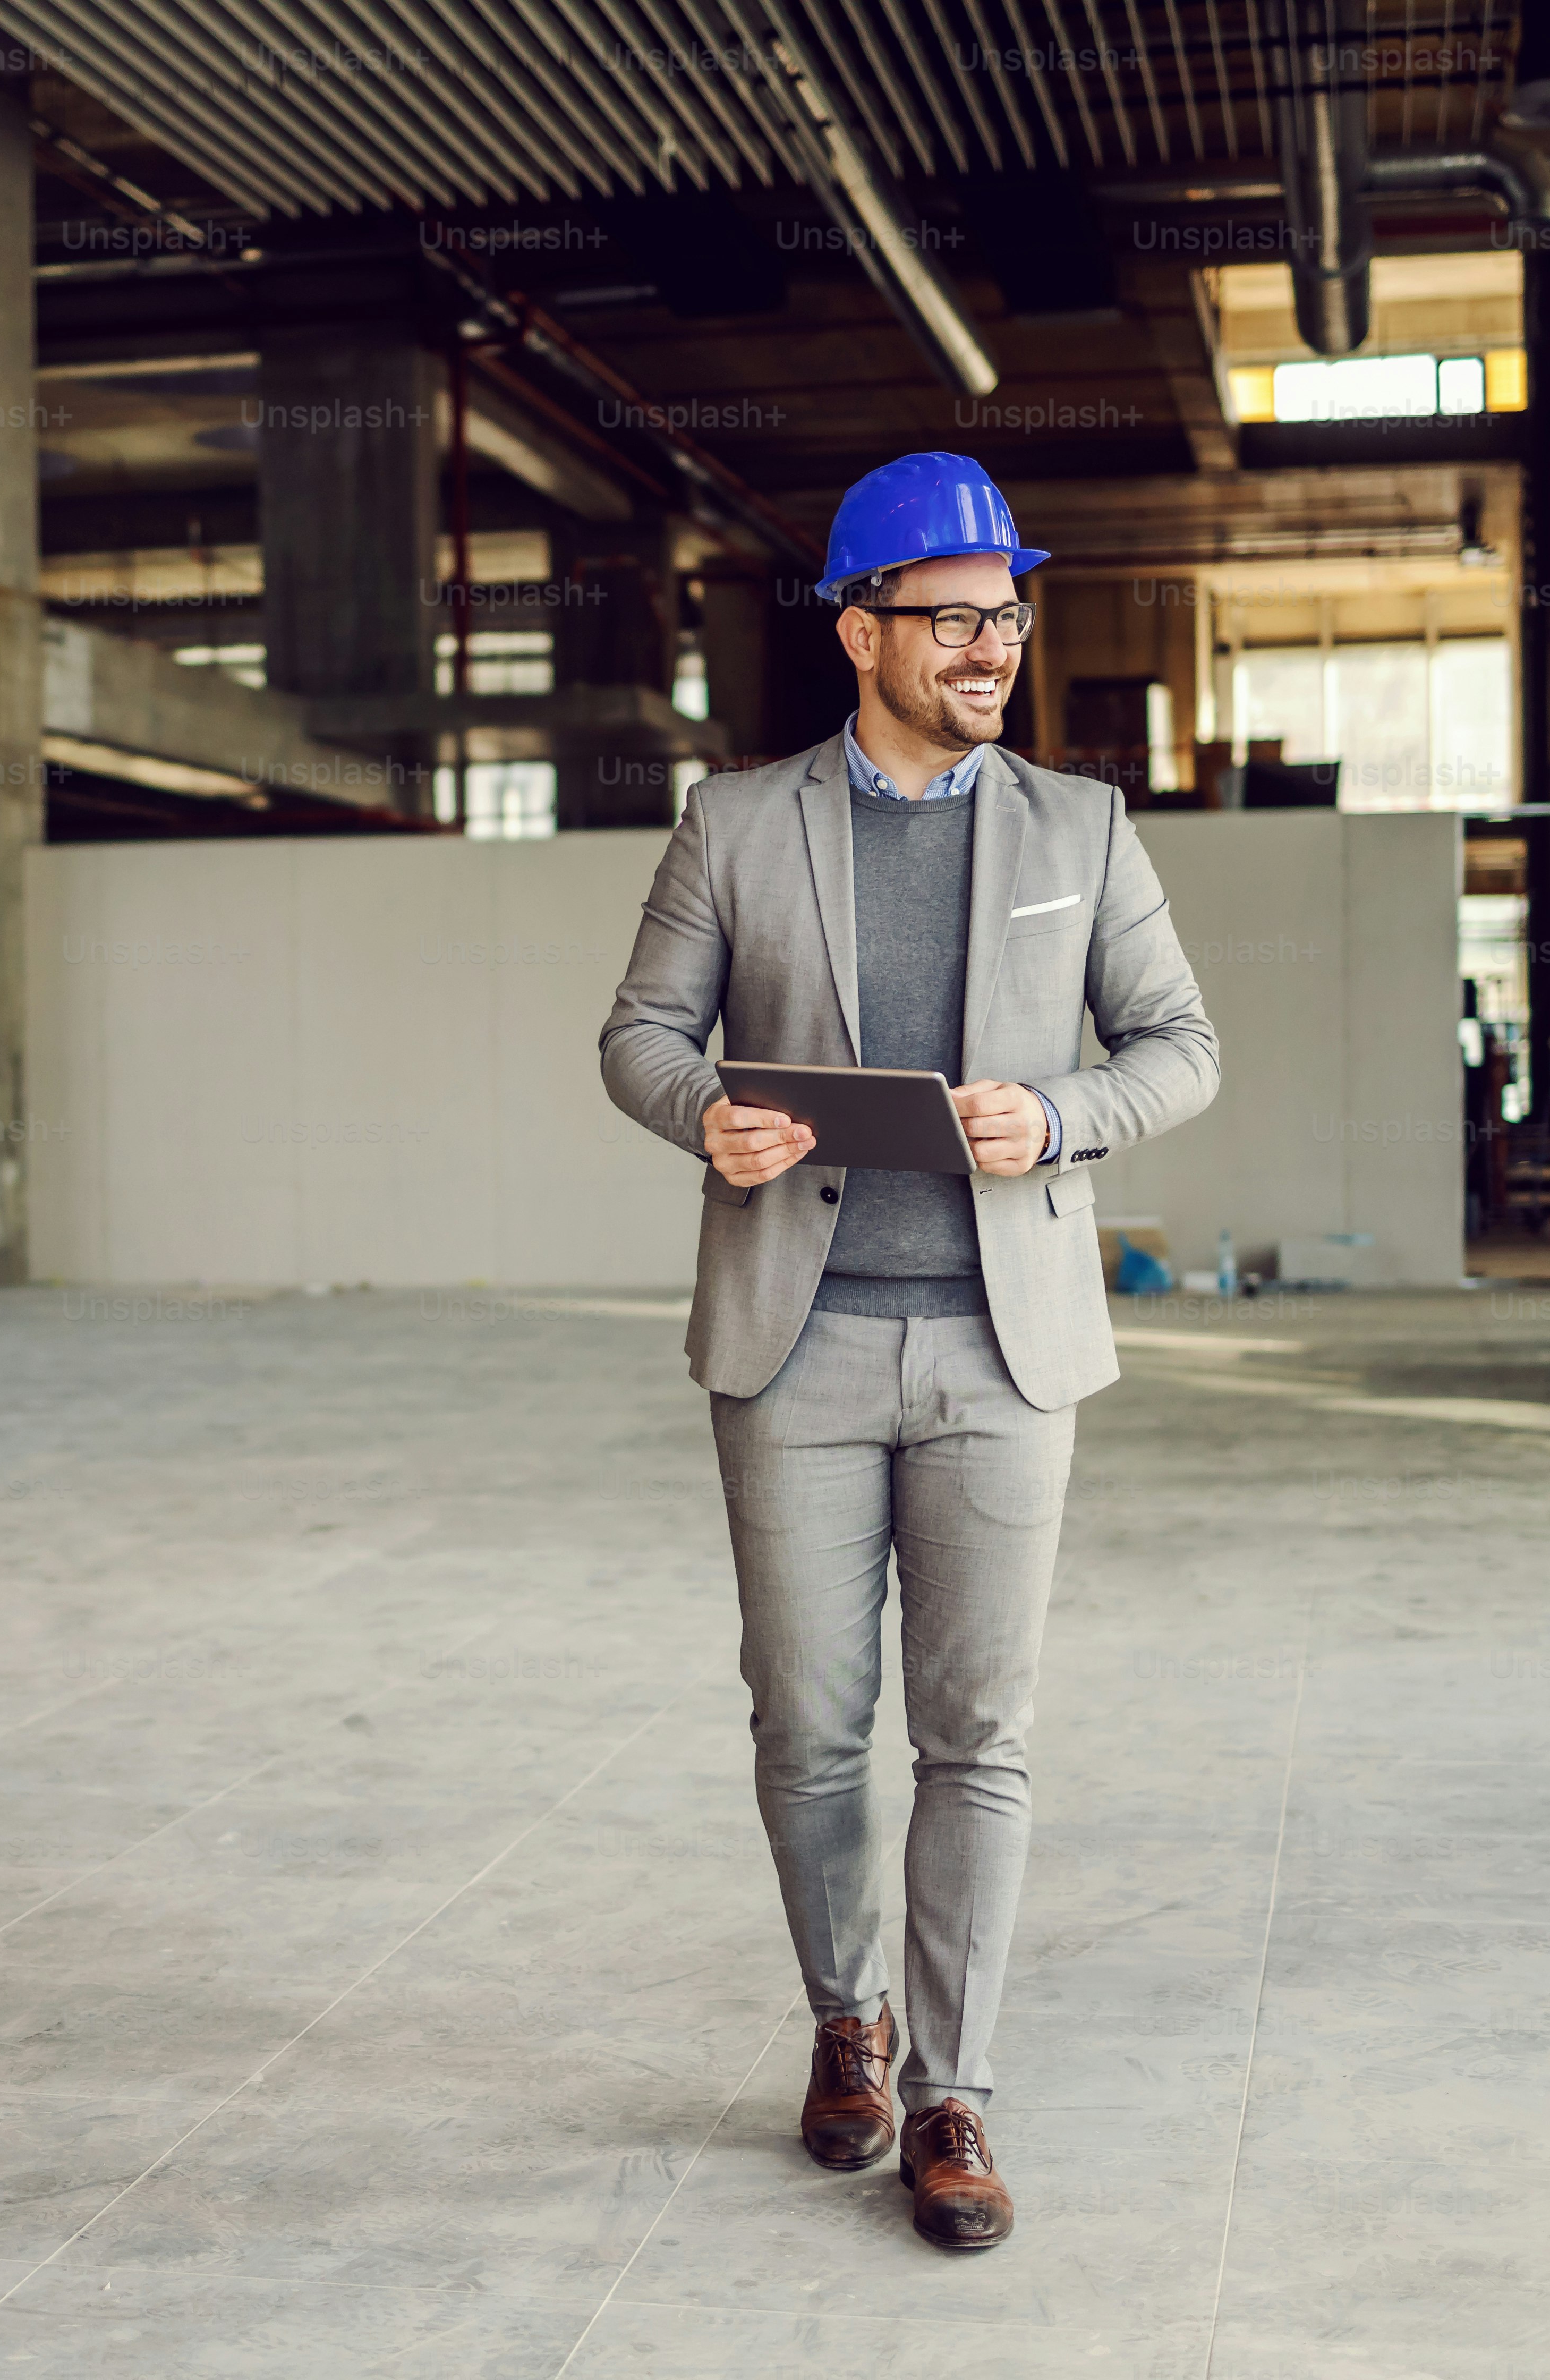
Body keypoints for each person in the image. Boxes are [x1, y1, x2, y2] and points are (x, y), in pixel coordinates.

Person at [598, 452, 1221, 2250]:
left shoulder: (1080, 829)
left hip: (1001, 1357)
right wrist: (706, 1111)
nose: (992, 646)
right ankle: (845, 2026)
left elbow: (1181, 1046)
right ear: (859, 626)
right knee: (807, 1728)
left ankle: (955, 2097)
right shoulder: (735, 821)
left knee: (981, 1736)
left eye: (1008, 613)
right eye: (953, 615)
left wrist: (1067, 1116)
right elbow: (640, 1033)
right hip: (790, 1353)